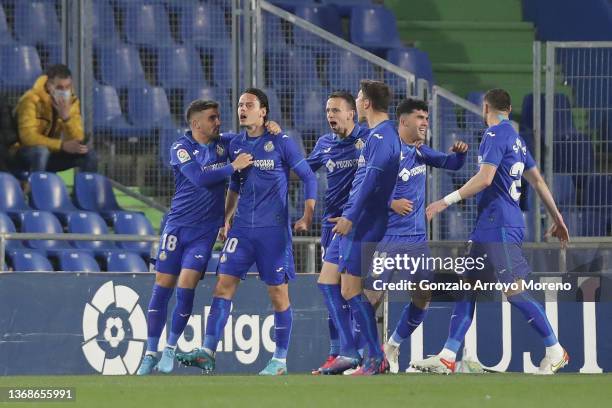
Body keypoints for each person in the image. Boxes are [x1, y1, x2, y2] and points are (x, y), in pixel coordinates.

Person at [411, 88, 570, 375]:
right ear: (508, 109)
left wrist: (445, 201)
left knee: (514, 290)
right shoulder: (518, 141)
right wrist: (557, 217)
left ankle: (556, 351)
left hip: (501, 226)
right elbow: (538, 182)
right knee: (468, 287)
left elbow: (484, 179)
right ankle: (448, 356)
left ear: (486, 108)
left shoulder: (494, 135)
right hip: (488, 226)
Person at [176, 88, 317, 376]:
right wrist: (224, 220)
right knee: (222, 286)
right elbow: (235, 184)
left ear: (263, 111)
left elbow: (309, 176)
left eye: (249, 104)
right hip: (241, 231)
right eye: (240, 104)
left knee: (278, 294)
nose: (242, 109)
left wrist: (307, 214)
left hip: (273, 232)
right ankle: (207, 351)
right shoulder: (233, 142)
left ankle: (279, 360)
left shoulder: (281, 141)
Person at [137, 99, 280, 375]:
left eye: (217, 117)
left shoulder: (223, 144)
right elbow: (200, 178)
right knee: (162, 287)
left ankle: (169, 348)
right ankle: (150, 351)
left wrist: (269, 125)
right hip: (177, 227)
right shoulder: (180, 147)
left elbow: (247, 139)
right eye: (212, 118)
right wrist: (232, 167)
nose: (218, 122)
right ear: (196, 123)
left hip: (203, 232)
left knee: (186, 285)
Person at [358, 98, 467, 374]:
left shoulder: (419, 151)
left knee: (422, 296)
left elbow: (450, 164)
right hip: (387, 237)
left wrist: (461, 154)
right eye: (420, 117)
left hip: (416, 239)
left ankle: (392, 347)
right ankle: (362, 356)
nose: (425, 122)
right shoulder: (386, 149)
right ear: (403, 121)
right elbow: (364, 188)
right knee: (371, 297)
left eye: (427, 118)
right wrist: (390, 202)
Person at [321, 80, 400, 375]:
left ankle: (374, 357)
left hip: (363, 221)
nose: (355, 100)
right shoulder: (377, 135)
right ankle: (351, 351)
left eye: (357, 97)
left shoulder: (381, 137)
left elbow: (369, 184)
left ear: (365, 103)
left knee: (351, 289)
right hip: (358, 218)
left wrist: (350, 216)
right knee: (328, 280)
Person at [305, 91, 369, 374]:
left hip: (358, 227)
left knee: (350, 290)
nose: (330, 115)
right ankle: (337, 353)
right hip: (330, 227)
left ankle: (358, 351)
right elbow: (304, 170)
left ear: (351, 114)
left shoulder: (366, 140)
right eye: (327, 110)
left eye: (335, 110)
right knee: (332, 291)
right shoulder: (324, 143)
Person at [12, 64, 97, 173]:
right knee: (41, 152)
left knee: (89, 155)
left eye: (68, 87)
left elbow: (77, 138)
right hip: (22, 153)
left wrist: (66, 118)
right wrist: (61, 145)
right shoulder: (31, 99)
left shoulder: (72, 102)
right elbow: (28, 138)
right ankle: (36, 189)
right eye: (59, 87)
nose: (64, 91)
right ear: (48, 85)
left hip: (52, 151)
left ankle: (84, 189)